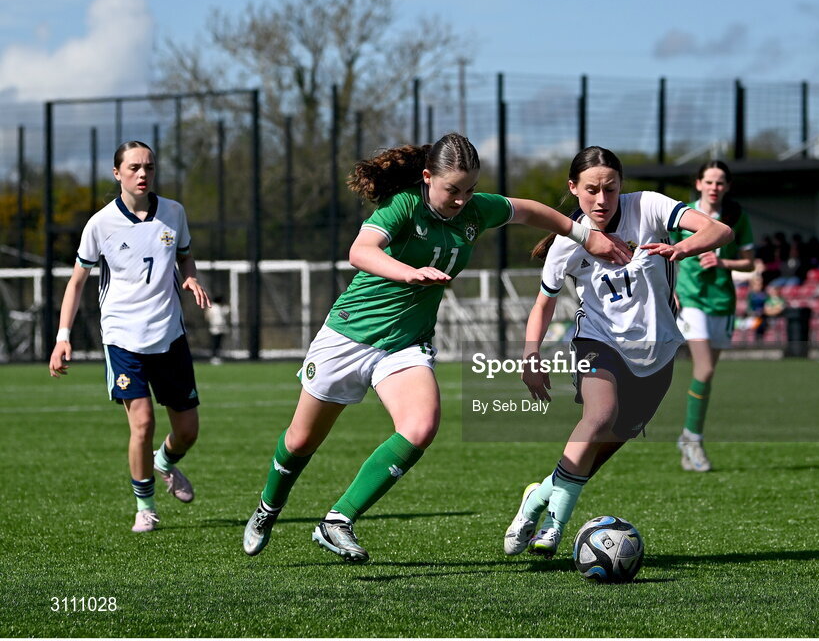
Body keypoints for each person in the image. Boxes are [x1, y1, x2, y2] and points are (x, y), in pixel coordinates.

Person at [241, 133, 634, 562]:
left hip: (405, 345)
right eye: (452, 190)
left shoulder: (476, 210)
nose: (462, 200)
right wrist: (407, 273)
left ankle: (337, 520)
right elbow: (361, 250)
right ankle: (267, 508)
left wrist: (583, 235)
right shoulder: (405, 205)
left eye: (469, 190)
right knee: (300, 442)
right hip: (348, 338)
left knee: (421, 426)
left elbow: (528, 211)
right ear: (428, 177)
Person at [503, 146, 733, 558]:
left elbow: (720, 231)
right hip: (598, 341)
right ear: (573, 189)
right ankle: (554, 528)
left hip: (657, 353)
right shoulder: (567, 242)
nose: (601, 200)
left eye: (610, 189)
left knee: (595, 454)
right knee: (599, 416)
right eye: (591, 190)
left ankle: (536, 499)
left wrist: (680, 249)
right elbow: (543, 305)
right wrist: (530, 358)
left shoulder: (648, 206)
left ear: (622, 187)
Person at [48, 141, 210, 532]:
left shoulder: (174, 213)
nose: (143, 174)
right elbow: (76, 282)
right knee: (142, 424)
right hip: (122, 339)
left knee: (187, 431)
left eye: (149, 167)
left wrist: (189, 275)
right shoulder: (100, 224)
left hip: (169, 335)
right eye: (134, 167)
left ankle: (164, 463)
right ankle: (145, 506)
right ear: (117, 173)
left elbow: (184, 255)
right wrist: (63, 336)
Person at [671, 160, 755, 472]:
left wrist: (723, 265)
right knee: (703, 370)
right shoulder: (682, 214)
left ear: (727, 187)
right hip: (691, 299)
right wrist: (671, 288)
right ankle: (692, 438)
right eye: (709, 181)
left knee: (707, 376)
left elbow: (749, 263)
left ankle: (689, 439)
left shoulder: (736, 216)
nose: (714, 187)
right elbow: (664, 251)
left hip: (722, 301)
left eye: (720, 182)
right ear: (698, 183)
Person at [205, 295, 230, 364]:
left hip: (222, 328)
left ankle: (218, 357)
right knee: (215, 343)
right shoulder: (212, 307)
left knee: (219, 343)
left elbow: (227, 311)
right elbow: (207, 316)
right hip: (215, 328)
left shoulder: (222, 307)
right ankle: (214, 357)